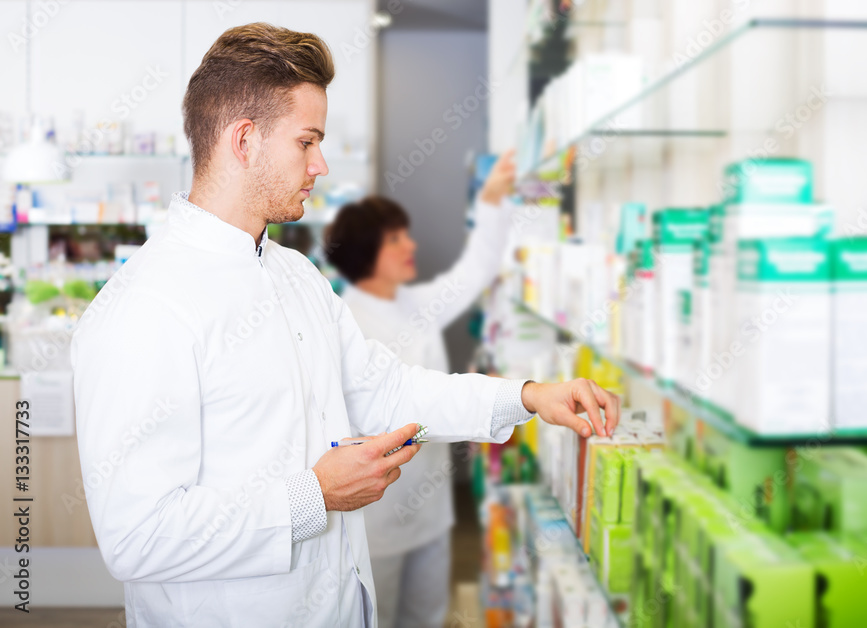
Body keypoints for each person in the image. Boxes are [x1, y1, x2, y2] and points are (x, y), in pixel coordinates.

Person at [70, 22, 619, 628]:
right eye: (306, 142)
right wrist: (313, 495)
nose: (321, 164)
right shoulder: (145, 307)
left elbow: (386, 390)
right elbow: (138, 536)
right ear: (244, 140)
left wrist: (528, 397)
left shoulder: (295, 275)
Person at [322, 152, 516, 627]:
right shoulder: (349, 323)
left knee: (427, 616)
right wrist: (476, 402)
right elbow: (393, 410)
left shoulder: (415, 303)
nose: (411, 245)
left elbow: (475, 271)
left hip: (431, 509)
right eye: (395, 239)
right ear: (366, 252)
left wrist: (491, 201)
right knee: (379, 617)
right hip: (379, 517)